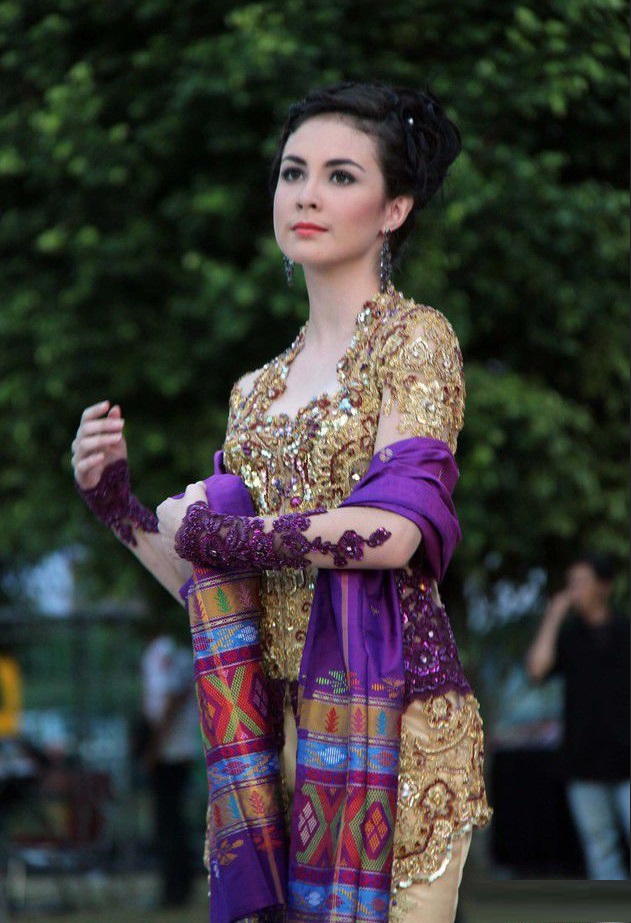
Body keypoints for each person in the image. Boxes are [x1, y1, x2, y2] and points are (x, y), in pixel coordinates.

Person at [71, 82, 492, 923]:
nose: (305, 194)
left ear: (393, 209)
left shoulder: (413, 340)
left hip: (394, 728)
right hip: (278, 737)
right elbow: (212, 586)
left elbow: (393, 532)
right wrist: (117, 504)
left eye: (340, 176)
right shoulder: (255, 393)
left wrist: (221, 532)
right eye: (292, 172)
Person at [526, 553, 630, 880]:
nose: (575, 590)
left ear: (604, 586)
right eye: (571, 582)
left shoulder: (626, 631)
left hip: (626, 756)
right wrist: (554, 616)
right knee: (600, 849)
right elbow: (537, 669)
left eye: (582, 581)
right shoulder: (569, 635)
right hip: (583, 760)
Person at [139, 632, 200, 908]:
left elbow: (172, 697)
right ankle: (178, 887)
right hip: (179, 748)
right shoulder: (177, 650)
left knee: (168, 824)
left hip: (170, 752)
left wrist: (154, 745)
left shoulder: (161, 651)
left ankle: (174, 890)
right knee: (173, 822)